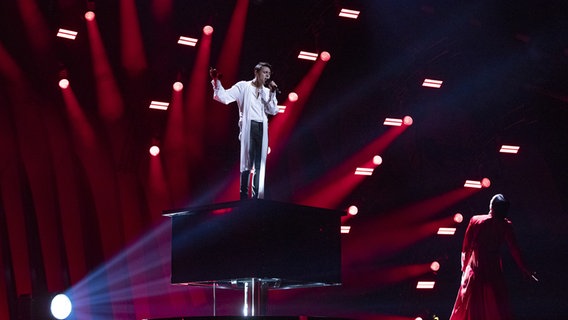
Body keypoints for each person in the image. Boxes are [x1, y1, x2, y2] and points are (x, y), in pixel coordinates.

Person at [449, 194, 535, 320]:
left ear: (491, 207)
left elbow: (466, 247)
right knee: (494, 302)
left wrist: (464, 268)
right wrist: (523, 267)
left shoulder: (477, 221)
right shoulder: (505, 225)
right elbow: (514, 249)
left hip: (478, 269)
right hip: (490, 269)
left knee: (476, 303)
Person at [210, 62, 279, 200]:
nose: (267, 76)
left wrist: (272, 93)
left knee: (260, 163)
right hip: (249, 126)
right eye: (265, 72)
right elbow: (223, 97)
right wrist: (216, 81)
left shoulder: (267, 91)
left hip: (261, 127)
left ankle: (257, 198)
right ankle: (243, 196)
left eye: (269, 74)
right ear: (256, 72)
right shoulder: (243, 86)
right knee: (247, 161)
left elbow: (273, 110)